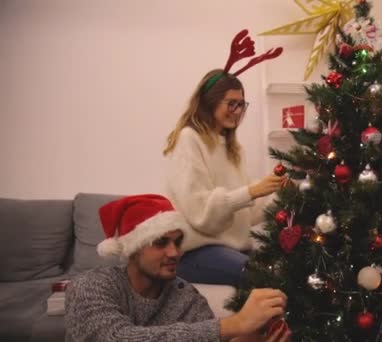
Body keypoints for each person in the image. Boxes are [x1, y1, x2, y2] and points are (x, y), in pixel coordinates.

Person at [65, 194, 291, 342]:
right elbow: (116, 337)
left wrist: (247, 337)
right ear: (133, 249)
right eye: (161, 243)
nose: (174, 253)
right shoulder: (90, 286)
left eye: (178, 241)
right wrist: (234, 324)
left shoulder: (185, 296)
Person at [163, 30, 285, 287]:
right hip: (196, 252)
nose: (238, 111)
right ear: (210, 102)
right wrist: (251, 191)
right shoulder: (189, 139)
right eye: (231, 103)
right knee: (265, 277)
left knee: (289, 269)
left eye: (242, 104)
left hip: (233, 250)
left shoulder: (232, 149)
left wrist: (279, 193)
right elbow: (200, 213)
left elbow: (246, 216)